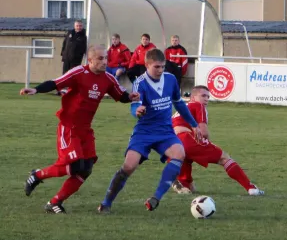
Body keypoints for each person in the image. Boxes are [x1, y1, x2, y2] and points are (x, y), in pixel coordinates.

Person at [20, 45, 139, 214]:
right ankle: (37, 175)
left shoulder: (108, 78)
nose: (105, 61)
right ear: (90, 60)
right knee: (75, 166)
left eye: (105, 58)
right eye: (100, 58)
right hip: (69, 127)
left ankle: (55, 202)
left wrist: (130, 97)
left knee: (86, 169)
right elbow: (56, 83)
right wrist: (36, 89)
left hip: (85, 130)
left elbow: (120, 96)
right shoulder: (78, 73)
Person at [98, 48, 201, 214]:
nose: (160, 70)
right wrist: (137, 111)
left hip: (165, 131)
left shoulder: (171, 79)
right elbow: (134, 106)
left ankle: (156, 198)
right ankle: (106, 203)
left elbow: (179, 103)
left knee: (179, 153)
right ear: (147, 65)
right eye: (157, 67)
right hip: (144, 132)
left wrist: (194, 124)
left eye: (163, 66)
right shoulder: (140, 83)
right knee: (129, 166)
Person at [170, 85, 265, 196]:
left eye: (208, 97)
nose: (206, 99)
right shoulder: (198, 106)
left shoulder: (179, 109)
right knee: (224, 157)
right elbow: (203, 131)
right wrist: (207, 144)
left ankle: (184, 183)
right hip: (186, 139)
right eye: (203, 95)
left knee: (187, 162)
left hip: (173, 144)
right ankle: (251, 188)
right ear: (193, 97)